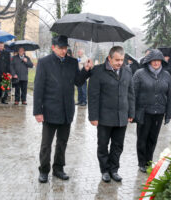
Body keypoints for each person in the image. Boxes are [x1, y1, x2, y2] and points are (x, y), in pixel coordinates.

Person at [33, 35, 93, 183]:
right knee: (46, 143)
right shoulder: (44, 62)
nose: (63, 51)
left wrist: (86, 70)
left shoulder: (72, 62)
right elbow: (38, 88)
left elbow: (78, 82)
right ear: (53, 47)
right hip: (49, 109)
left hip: (67, 109)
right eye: (60, 48)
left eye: (65, 48)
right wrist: (37, 111)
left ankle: (58, 168)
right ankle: (44, 170)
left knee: (62, 142)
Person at [88, 46, 135, 183]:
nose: (120, 62)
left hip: (122, 117)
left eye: (122, 59)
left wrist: (131, 112)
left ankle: (114, 170)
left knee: (118, 146)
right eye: (117, 60)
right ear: (109, 58)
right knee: (103, 145)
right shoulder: (98, 71)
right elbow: (93, 96)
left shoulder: (127, 71)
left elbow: (131, 93)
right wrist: (93, 116)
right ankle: (104, 170)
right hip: (104, 117)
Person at [133, 49, 171, 173]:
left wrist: (168, 115)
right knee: (142, 138)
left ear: (161, 61)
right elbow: (133, 94)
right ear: (149, 61)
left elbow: (170, 95)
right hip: (143, 112)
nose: (156, 63)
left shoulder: (166, 75)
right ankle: (141, 162)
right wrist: (131, 113)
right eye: (153, 60)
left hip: (159, 112)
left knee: (153, 139)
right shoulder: (140, 74)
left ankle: (149, 161)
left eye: (158, 60)